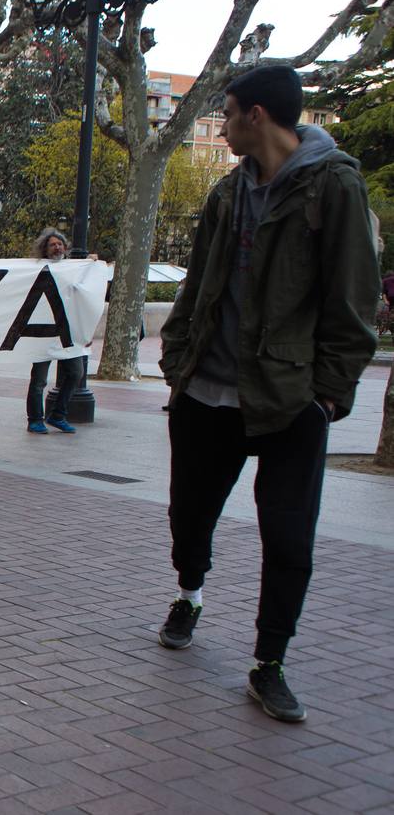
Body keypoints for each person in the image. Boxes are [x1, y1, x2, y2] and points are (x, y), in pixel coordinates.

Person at [157, 65, 380, 724]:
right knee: (188, 519)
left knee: (289, 540)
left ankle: (269, 662)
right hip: (206, 393)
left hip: (289, 401)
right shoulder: (229, 193)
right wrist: (177, 358)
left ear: (256, 116)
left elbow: (353, 297)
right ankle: (190, 594)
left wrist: (329, 396)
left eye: (226, 115)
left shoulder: (334, 186)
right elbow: (199, 283)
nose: (221, 127)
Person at [23, 229, 87, 434]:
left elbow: (84, 299)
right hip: (42, 331)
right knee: (39, 379)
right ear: (45, 250)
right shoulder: (36, 270)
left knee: (76, 372)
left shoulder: (74, 270)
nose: (57, 247)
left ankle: (58, 414)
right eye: (52, 245)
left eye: (60, 244)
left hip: (67, 333)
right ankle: (35, 419)